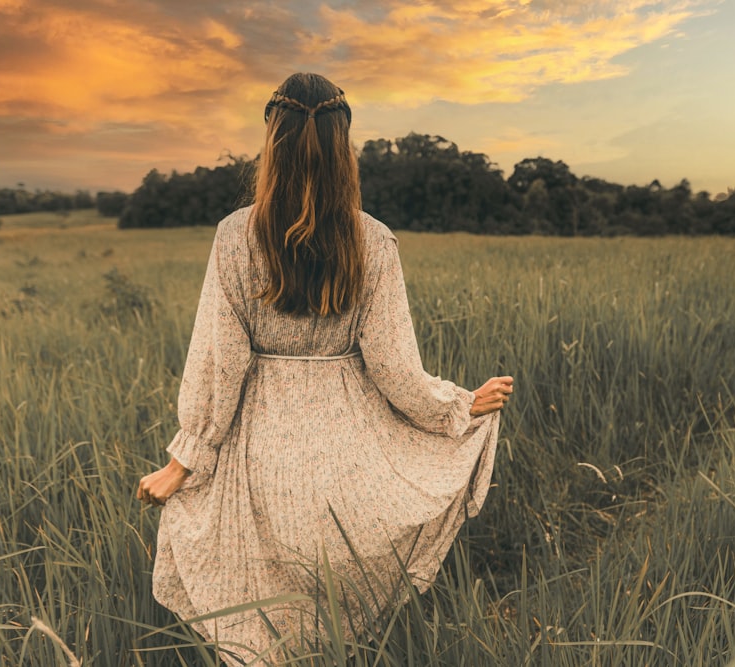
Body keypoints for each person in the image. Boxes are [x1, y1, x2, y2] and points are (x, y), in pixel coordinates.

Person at [136, 72, 512, 664]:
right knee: (334, 604)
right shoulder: (373, 239)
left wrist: (185, 460)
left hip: (259, 450)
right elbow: (395, 371)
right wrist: (456, 408)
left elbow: (220, 364)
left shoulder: (235, 236)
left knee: (262, 609)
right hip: (349, 451)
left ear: (271, 139)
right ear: (345, 146)